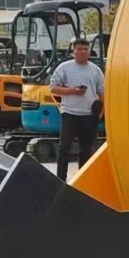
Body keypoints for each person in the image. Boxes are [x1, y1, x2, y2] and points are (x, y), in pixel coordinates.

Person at [48, 37, 105, 181]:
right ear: (73, 51)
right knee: (64, 147)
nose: (83, 52)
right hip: (70, 113)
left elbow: (102, 91)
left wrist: (101, 111)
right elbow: (53, 88)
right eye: (79, 49)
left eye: (86, 49)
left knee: (86, 149)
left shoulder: (96, 70)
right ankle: (60, 179)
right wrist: (72, 90)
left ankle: (82, 179)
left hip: (89, 115)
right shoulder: (64, 68)